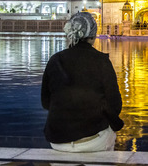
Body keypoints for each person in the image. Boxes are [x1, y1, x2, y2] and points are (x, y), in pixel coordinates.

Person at [41, 12, 124, 152]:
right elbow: (115, 105)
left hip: (57, 140)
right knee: (111, 132)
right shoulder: (101, 61)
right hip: (92, 141)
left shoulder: (55, 60)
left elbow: (46, 102)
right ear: (93, 35)